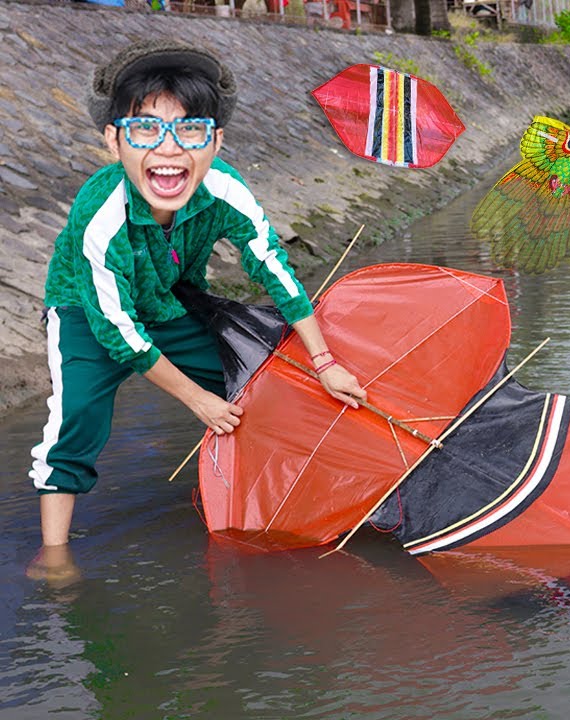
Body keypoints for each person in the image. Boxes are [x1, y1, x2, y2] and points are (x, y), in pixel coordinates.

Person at [27, 40, 367, 570]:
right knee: (77, 420)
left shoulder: (226, 191)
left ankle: (293, 489)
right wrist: (196, 402)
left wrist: (323, 362)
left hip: (166, 303)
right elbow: (119, 332)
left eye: (189, 129)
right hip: (87, 314)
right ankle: (54, 554)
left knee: (258, 379)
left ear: (216, 142)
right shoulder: (101, 217)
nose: (169, 149)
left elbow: (273, 267)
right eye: (145, 129)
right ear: (114, 141)